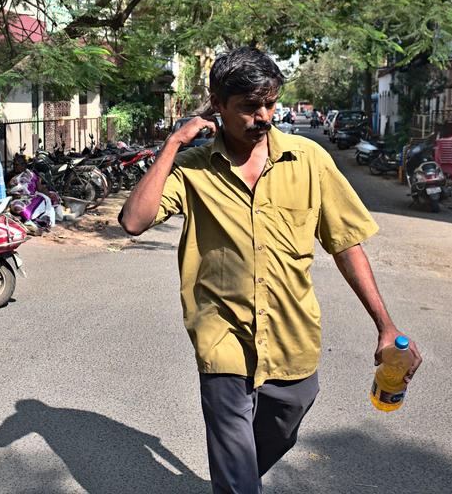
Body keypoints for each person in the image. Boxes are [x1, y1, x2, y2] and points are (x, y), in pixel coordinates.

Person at [119, 47, 421, 494]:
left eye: (270, 103)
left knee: (285, 423)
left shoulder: (310, 159)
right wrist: (173, 145)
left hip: (291, 336)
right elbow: (133, 221)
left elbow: (345, 244)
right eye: (248, 107)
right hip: (221, 335)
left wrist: (385, 324)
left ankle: (236, 476)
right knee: (240, 478)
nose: (263, 116)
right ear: (218, 104)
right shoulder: (193, 169)